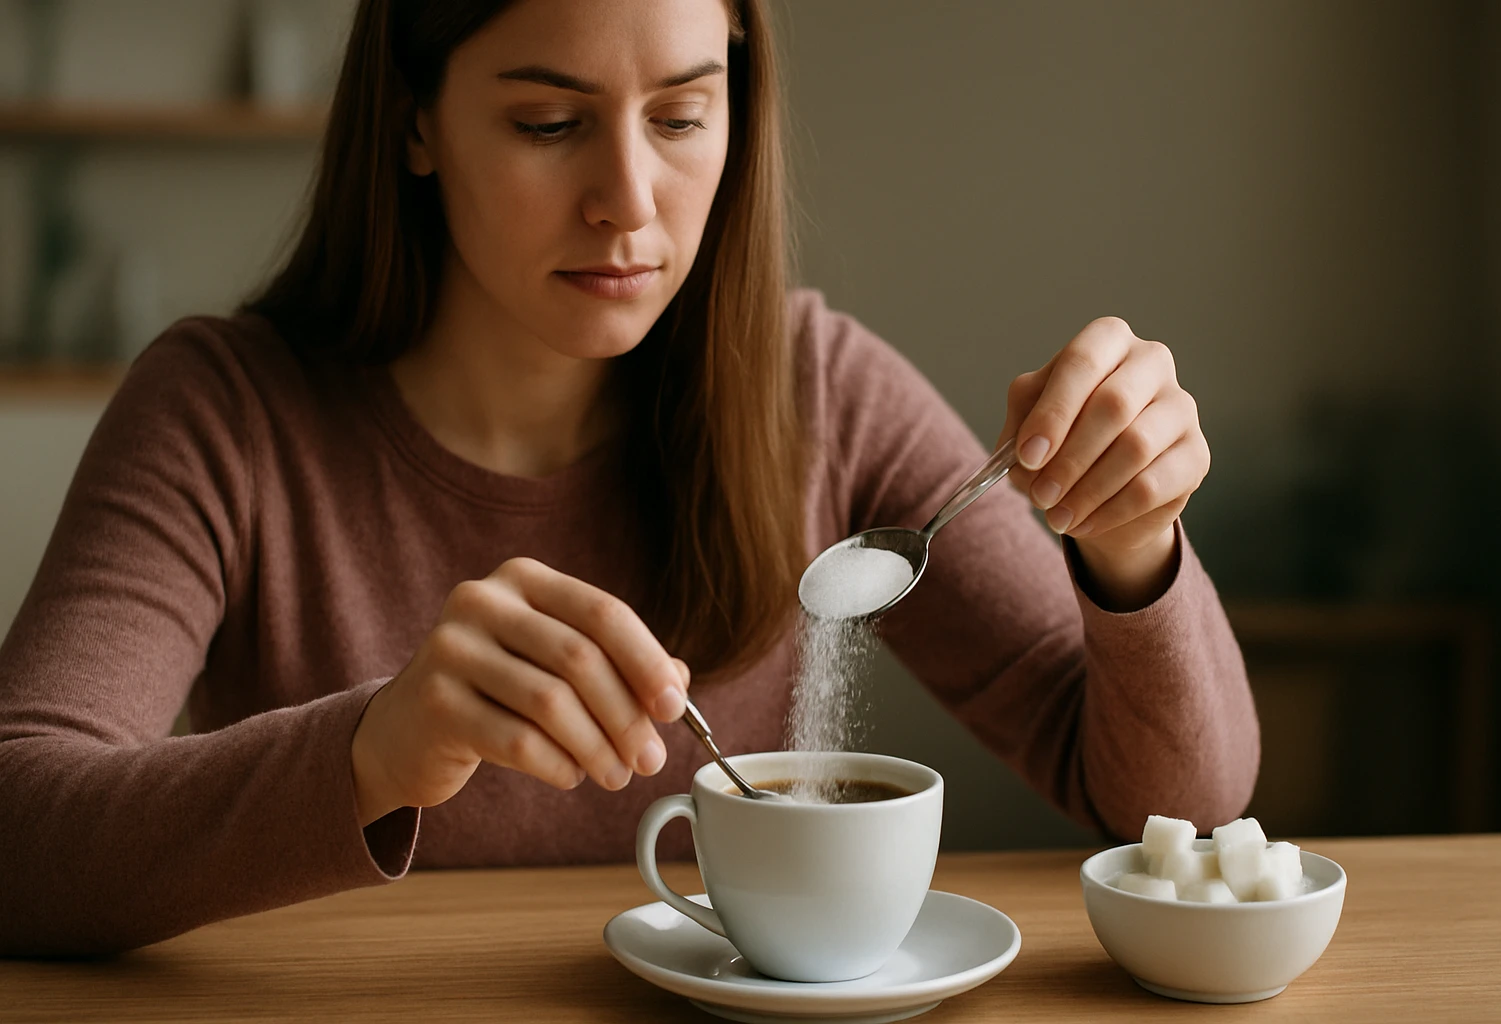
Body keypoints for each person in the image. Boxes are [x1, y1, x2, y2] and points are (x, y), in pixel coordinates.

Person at [0, 0, 1257, 957]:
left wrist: (1133, 544)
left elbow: (1178, 810)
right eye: (549, 124)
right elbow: (19, 831)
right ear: (416, 121)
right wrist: (376, 749)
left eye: (681, 116)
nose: (628, 202)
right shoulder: (224, 413)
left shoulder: (819, 392)